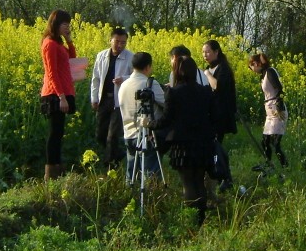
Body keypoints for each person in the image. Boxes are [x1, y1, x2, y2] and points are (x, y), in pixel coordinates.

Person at [144, 55, 217, 224]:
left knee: (188, 182)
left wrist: (150, 124)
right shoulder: (205, 91)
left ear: (178, 72)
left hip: (182, 143)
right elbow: (215, 117)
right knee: (199, 180)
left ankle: (191, 220)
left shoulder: (174, 92)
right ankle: (201, 218)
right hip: (203, 142)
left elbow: (166, 120)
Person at [40, 9, 77, 181]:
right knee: (54, 133)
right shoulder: (49, 44)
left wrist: (69, 41)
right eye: (64, 24)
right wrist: (61, 96)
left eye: (68, 24)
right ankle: (51, 172)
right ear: (55, 24)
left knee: (59, 132)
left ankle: (57, 168)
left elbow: (72, 60)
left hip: (62, 91)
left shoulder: (59, 43)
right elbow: (52, 73)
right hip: (54, 94)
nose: (67, 27)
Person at [118, 51, 165, 184]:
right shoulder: (149, 84)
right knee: (151, 175)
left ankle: (130, 199)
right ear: (148, 67)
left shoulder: (123, 85)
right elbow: (165, 103)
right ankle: (151, 201)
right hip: (147, 135)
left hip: (129, 134)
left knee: (132, 173)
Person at [90, 27, 134, 170]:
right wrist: (94, 98)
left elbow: (136, 77)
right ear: (110, 40)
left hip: (119, 102)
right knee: (100, 135)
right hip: (104, 99)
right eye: (117, 42)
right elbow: (95, 79)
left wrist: (124, 79)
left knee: (112, 136)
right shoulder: (101, 56)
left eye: (123, 42)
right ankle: (119, 154)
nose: (120, 45)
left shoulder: (130, 57)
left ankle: (109, 167)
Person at [202, 39, 237, 191]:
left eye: (208, 52)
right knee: (215, 147)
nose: (205, 55)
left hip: (220, 116)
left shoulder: (223, 69)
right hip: (211, 115)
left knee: (215, 147)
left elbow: (218, 86)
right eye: (203, 52)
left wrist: (207, 74)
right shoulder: (210, 68)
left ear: (217, 52)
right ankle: (222, 177)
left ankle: (224, 177)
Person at [248, 52, 288, 167]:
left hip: (277, 111)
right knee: (265, 141)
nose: (252, 69)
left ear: (256, 63)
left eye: (252, 65)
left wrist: (279, 107)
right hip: (270, 112)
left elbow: (279, 89)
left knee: (275, 143)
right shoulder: (264, 74)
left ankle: (285, 166)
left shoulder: (270, 71)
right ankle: (268, 164)